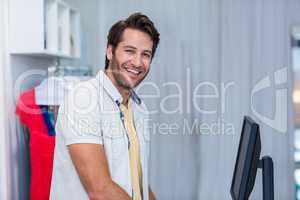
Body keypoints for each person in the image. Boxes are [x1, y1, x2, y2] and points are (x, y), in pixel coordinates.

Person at [50, 12, 160, 200]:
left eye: (146, 54)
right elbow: (100, 190)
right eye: (130, 51)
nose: (137, 62)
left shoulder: (139, 109)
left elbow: (139, 183)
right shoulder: (83, 100)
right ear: (110, 51)